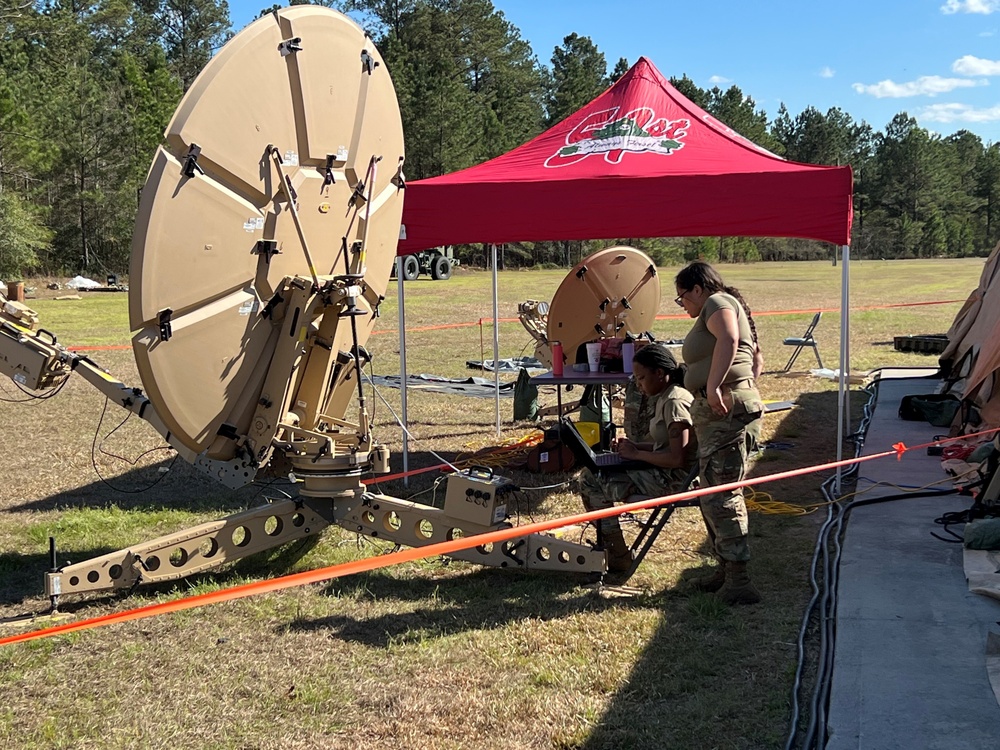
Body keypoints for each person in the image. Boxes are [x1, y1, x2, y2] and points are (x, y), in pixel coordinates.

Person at [674, 261, 765, 605]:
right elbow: (753, 356)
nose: (683, 304)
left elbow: (730, 337)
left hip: (725, 408)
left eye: (682, 297)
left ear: (697, 289)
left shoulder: (717, 302)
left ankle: (739, 580)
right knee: (711, 490)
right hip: (719, 408)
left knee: (723, 492)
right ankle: (726, 569)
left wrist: (713, 386)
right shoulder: (717, 306)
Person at [580, 344, 697, 573]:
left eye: (642, 378)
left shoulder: (674, 402)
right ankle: (615, 551)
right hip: (665, 472)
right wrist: (635, 447)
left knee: (590, 480)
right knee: (594, 473)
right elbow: (664, 444)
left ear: (660, 374)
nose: (640, 385)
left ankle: (617, 553)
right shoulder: (667, 397)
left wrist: (637, 455)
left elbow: (677, 459)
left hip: (674, 480)